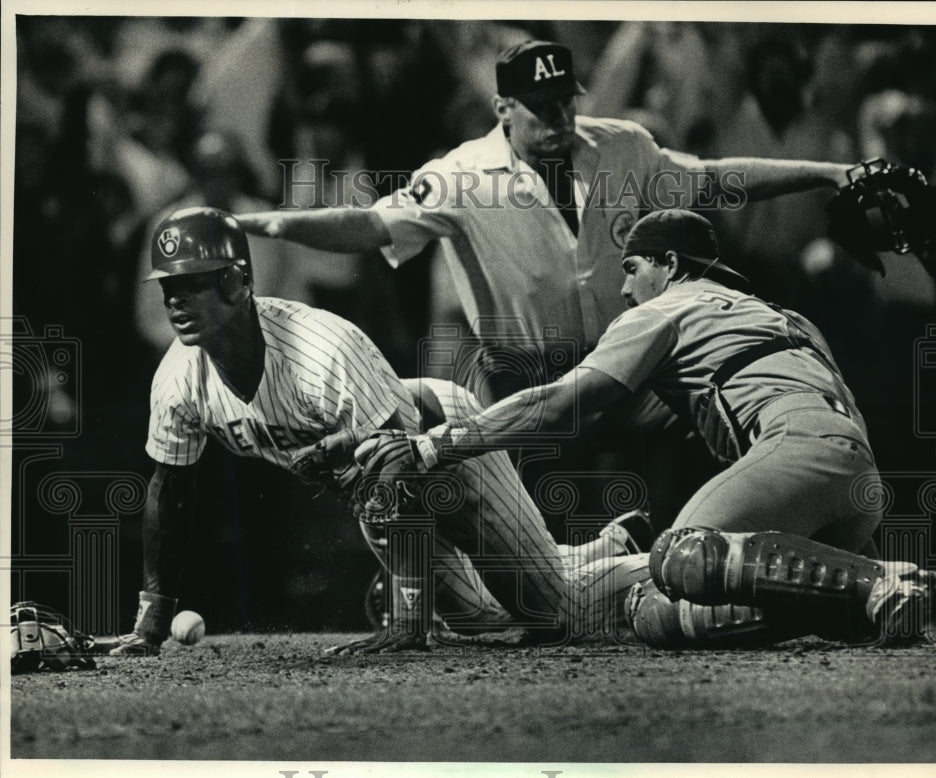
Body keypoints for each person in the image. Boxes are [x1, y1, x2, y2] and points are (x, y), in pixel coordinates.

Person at [238, 38, 862, 533]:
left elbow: (713, 178)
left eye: (566, 100)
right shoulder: (460, 174)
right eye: (542, 107)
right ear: (503, 109)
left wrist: (831, 173)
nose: (560, 117)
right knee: (539, 540)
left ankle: (711, 566)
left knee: (686, 463)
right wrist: (269, 221)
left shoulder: (621, 145)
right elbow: (370, 224)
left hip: (628, 365)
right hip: (528, 371)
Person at [354, 209, 936, 647]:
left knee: (677, 560)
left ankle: (874, 579)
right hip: (857, 481)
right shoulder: (780, 317)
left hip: (795, 453)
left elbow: (566, 404)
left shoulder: (664, 309)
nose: (623, 287)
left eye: (633, 268)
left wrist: (437, 444)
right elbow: (612, 421)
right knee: (661, 617)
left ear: (670, 265)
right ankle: (871, 594)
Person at [109, 206, 651, 656]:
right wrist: (151, 617)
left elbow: (400, 462)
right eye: (168, 286)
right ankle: (605, 546)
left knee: (554, 614)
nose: (174, 300)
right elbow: (170, 493)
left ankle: (671, 559)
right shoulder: (180, 375)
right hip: (377, 481)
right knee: (479, 616)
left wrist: (407, 622)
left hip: (442, 441)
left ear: (237, 281)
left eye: (192, 284)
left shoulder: (320, 347)